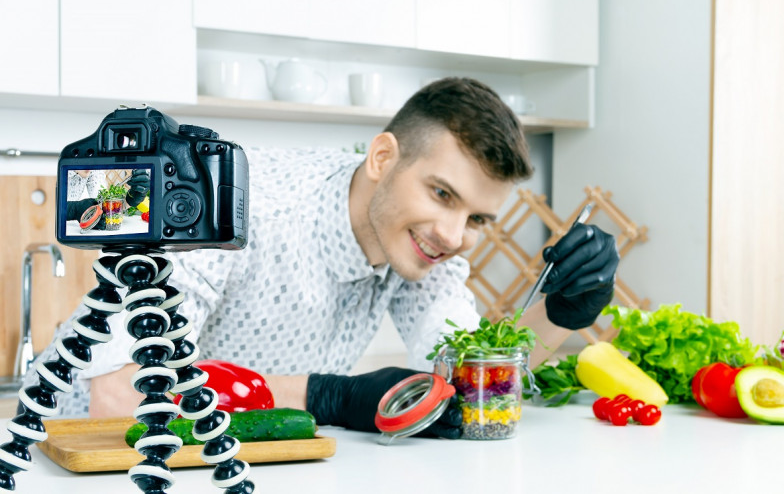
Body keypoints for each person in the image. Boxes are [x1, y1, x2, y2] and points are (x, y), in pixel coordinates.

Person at [28, 77, 618, 438]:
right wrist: (323, 395)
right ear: (383, 157)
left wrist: (561, 314)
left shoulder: (419, 248)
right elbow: (119, 393)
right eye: (442, 194)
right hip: (77, 461)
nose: (453, 234)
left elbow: (463, 388)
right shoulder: (239, 203)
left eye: (476, 219)